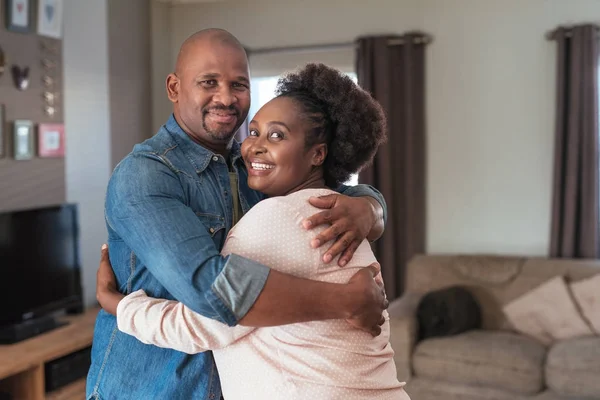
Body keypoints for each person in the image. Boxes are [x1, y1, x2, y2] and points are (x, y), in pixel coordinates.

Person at [86, 29, 389, 400]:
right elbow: (212, 290)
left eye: (239, 84)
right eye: (209, 82)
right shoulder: (145, 175)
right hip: (153, 389)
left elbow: (331, 191)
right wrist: (345, 301)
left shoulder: (255, 170)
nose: (226, 98)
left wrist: (371, 208)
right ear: (174, 88)